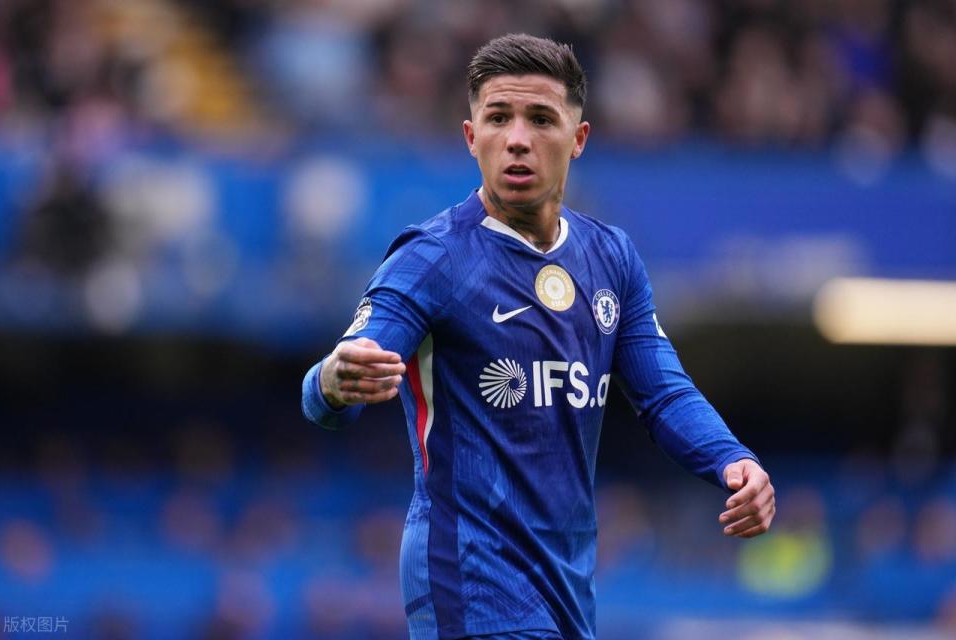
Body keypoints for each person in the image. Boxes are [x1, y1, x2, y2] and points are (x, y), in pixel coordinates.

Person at [302, 33, 775, 640]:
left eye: (541, 119)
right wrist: (336, 380)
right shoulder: (432, 257)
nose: (518, 139)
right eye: (498, 118)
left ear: (578, 138)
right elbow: (331, 386)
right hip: (469, 575)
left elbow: (663, 393)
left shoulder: (611, 258)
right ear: (471, 136)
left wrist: (733, 458)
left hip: (567, 583)